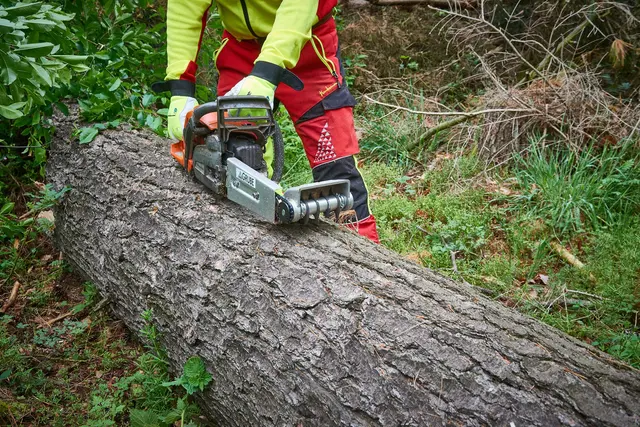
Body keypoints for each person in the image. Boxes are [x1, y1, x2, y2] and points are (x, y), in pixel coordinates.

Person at [160, 0, 379, 243]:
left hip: (307, 44)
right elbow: (185, 5)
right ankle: (251, 251)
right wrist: (180, 86)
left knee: (336, 168)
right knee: (237, 162)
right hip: (241, 51)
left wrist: (267, 72)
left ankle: (363, 254)